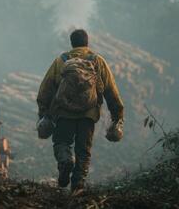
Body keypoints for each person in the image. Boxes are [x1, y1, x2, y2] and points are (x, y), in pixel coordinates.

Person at [37, 29, 124, 193]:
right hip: (88, 115)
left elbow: (46, 87)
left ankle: (65, 161)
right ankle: (78, 186)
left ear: (71, 43)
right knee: (84, 150)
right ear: (87, 42)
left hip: (63, 112)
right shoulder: (97, 61)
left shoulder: (61, 61)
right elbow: (111, 90)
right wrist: (117, 115)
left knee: (61, 142)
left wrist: (43, 112)